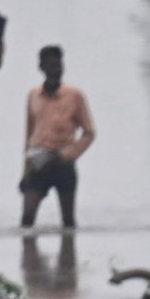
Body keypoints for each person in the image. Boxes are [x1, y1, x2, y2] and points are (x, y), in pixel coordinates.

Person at [19, 46, 96, 230]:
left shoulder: (75, 96)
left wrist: (68, 155)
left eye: (59, 66)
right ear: (42, 68)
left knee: (68, 221)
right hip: (38, 161)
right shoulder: (33, 96)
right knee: (27, 219)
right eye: (51, 66)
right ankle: (30, 256)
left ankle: (68, 255)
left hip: (63, 162)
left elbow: (89, 132)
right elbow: (29, 135)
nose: (56, 71)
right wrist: (25, 171)